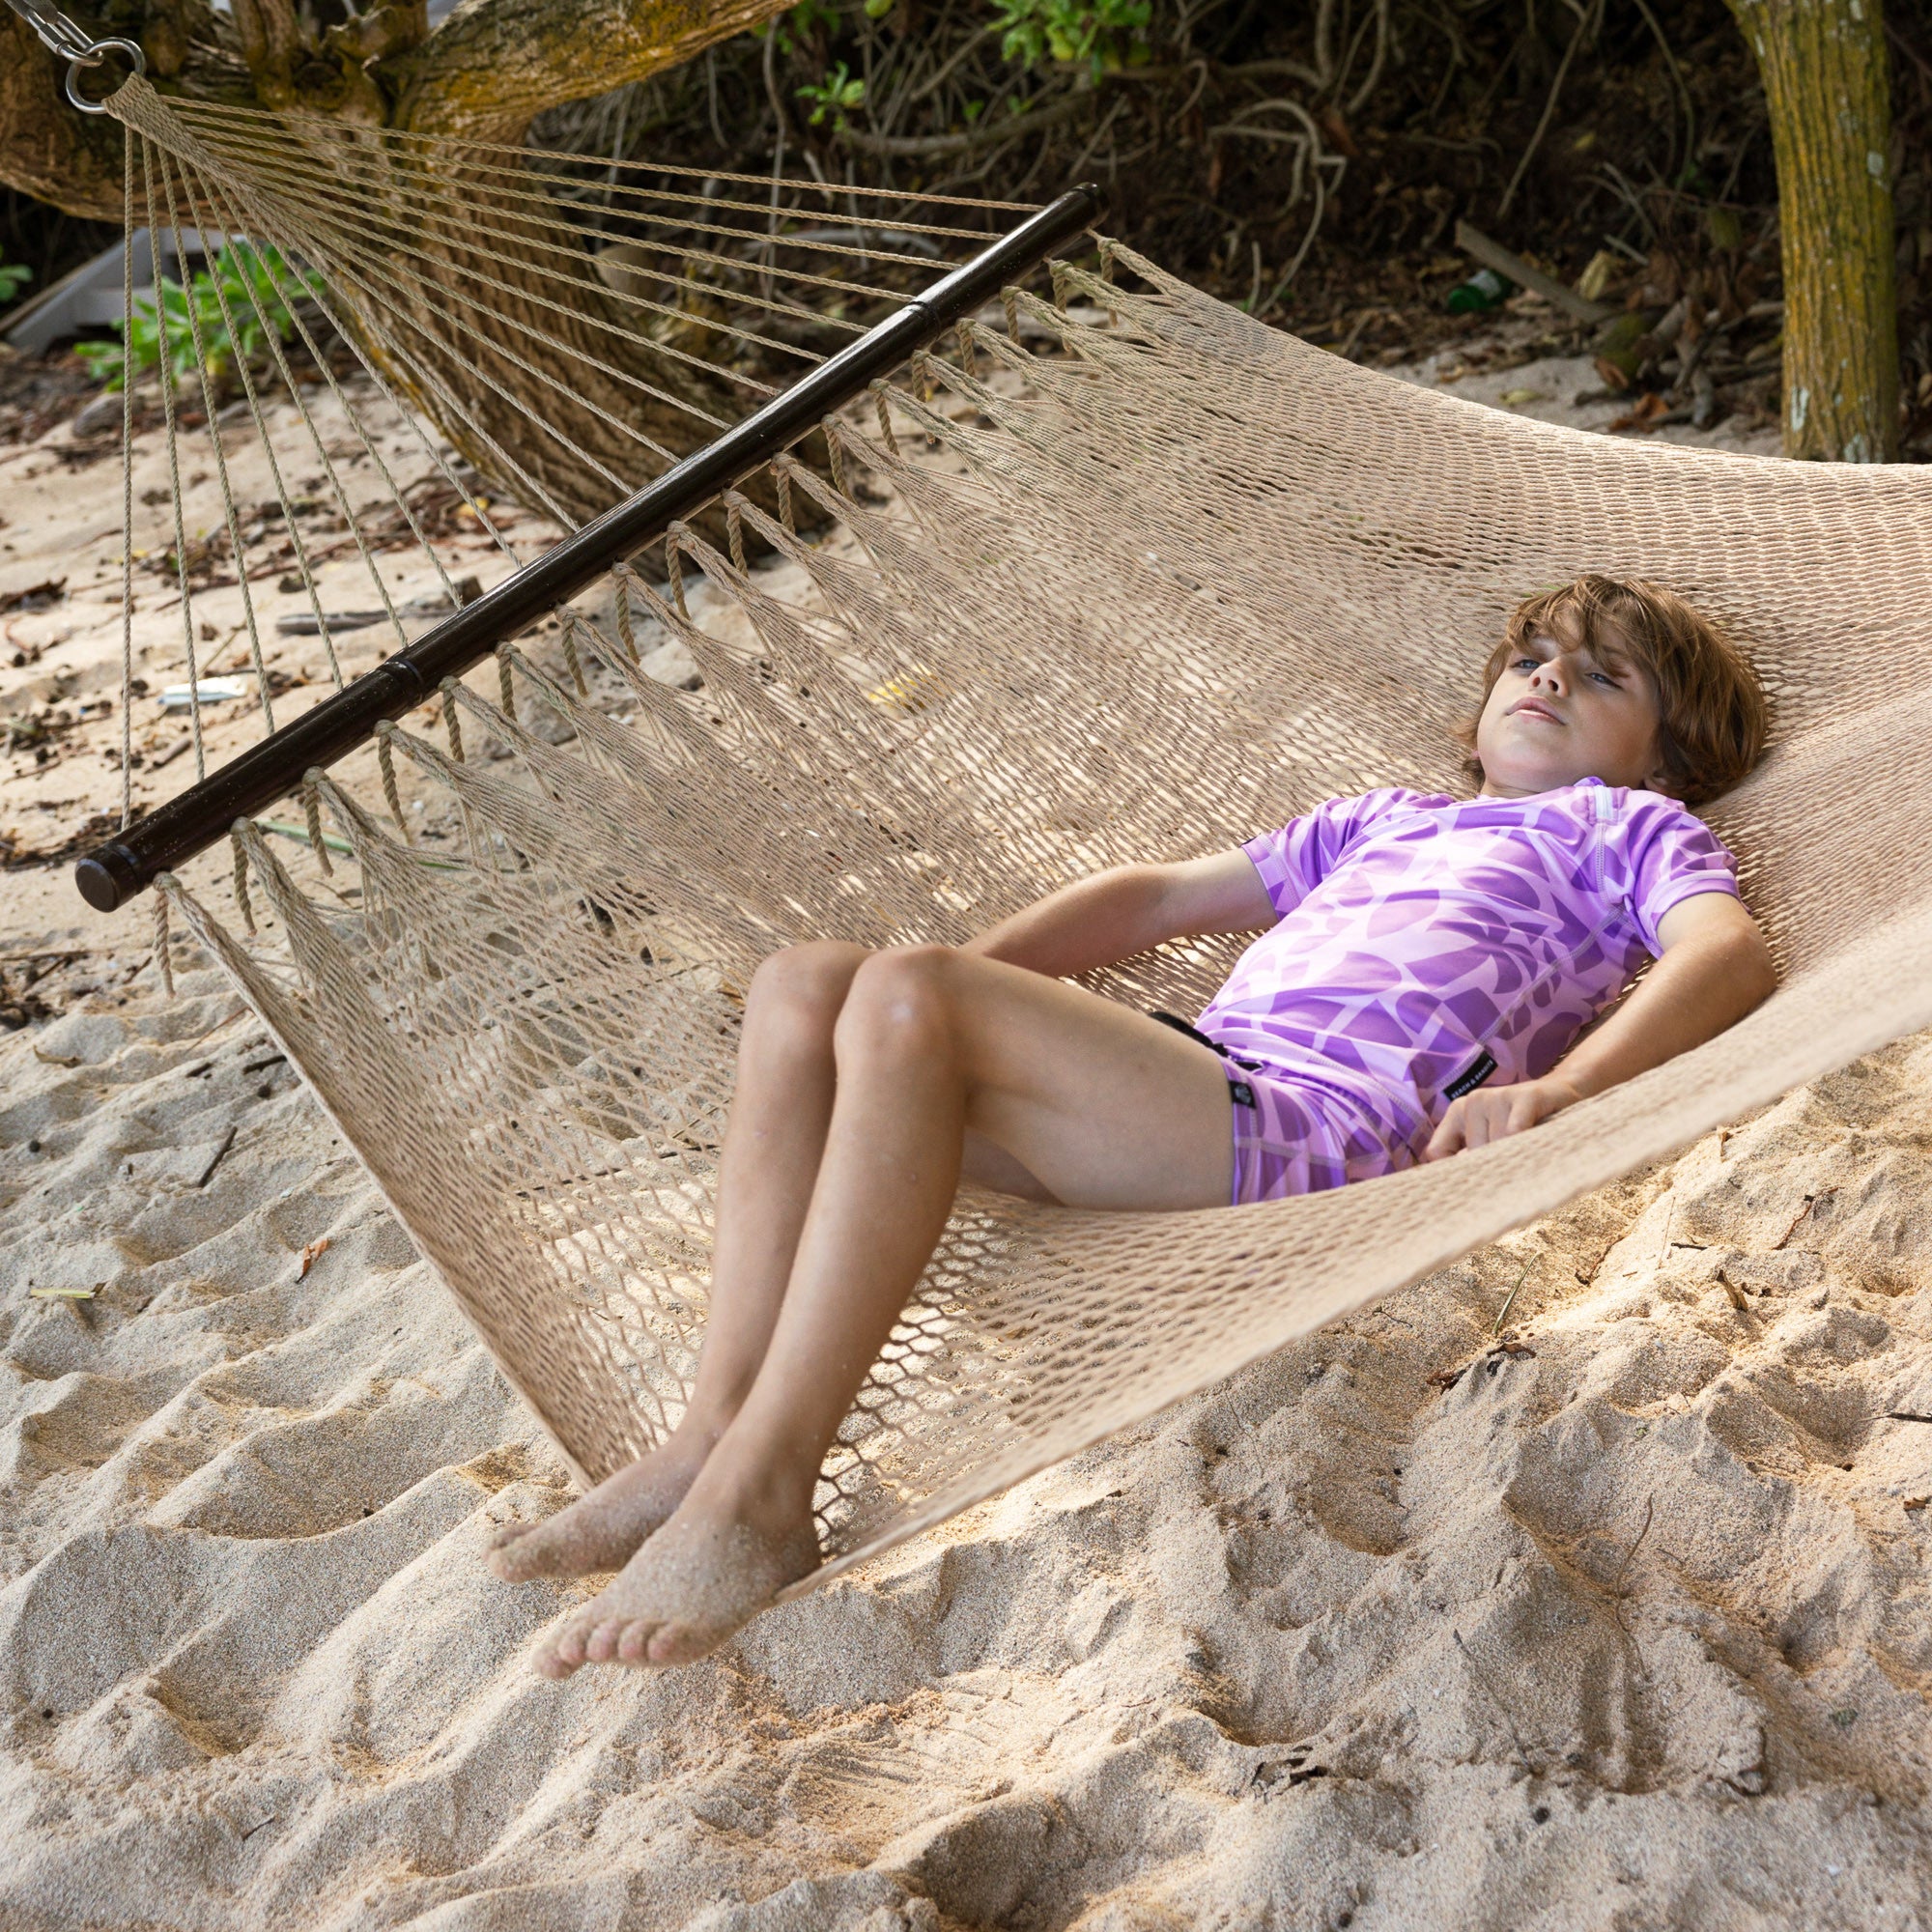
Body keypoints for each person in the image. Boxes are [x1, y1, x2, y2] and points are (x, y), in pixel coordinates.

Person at [487, 572, 1776, 1674]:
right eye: (1531, 657)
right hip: (1195, 1092)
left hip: (1319, 1131)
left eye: (1598, 677)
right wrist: (923, 998)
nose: (1547, 679)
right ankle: (711, 1435)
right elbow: (1157, 899)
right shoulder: (1383, 819)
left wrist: (1566, 1090)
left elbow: (1724, 954)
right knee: (804, 987)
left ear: (1666, 758)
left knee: (903, 991)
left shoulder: (1625, 825)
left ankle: (763, 1493)